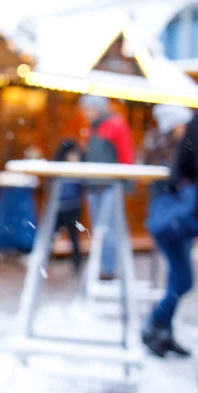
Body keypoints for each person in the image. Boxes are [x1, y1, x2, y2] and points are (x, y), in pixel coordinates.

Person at [142, 104, 195, 358]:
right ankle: (154, 323)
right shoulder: (170, 148)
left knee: (178, 278)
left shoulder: (167, 146)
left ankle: (164, 332)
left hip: (177, 222)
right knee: (182, 279)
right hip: (174, 221)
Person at [79, 95, 135, 280]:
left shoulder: (115, 125)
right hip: (94, 185)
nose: (85, 114)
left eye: (87, 109)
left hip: (111, 185)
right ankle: (101, 265)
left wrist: (127, 181)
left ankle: (109, 269)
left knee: (110, 227)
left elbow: (125, 153)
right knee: (98, 228)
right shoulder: (92, 129)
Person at [52, 139, 84, 275]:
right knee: (50, 235)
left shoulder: (79, 170)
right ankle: (41, 260)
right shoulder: (58, 169)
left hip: (73, 208)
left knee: (74, 237)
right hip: (59, 208)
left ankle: (77, 264)